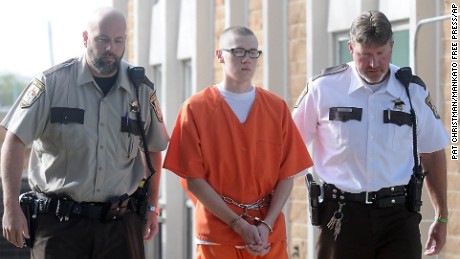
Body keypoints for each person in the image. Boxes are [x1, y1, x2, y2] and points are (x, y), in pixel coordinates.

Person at [1, 7, 169, 259]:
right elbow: (13, 141)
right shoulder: (52, 83)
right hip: (59, 227)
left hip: (120, 226)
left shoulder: (141, 90)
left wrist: (153, 206)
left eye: (118, 40)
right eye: (102, 39)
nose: (110, 48)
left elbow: (153, 149)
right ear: (85, 38)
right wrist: (11, 206)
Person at [293, 10, 448, 259]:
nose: (374, 63)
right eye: (365, 55)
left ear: (392, 47)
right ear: (351, 48)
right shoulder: (323, 88)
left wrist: (442, 214)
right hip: (340, 215)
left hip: (398, 217)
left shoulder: (412, 91)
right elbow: (290, 148)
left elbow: (432, 151)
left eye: (381, 54)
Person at [163, 26, 313, 259]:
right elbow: (193, 179)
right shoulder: (195, 108)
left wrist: (266, 225)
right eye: (239, 51)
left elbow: (287, 175)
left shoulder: (276, 107)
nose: (247, 59)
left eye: (253, 52)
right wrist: (239, 225)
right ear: (220, 55)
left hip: (267, 236)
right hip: (217, 237)